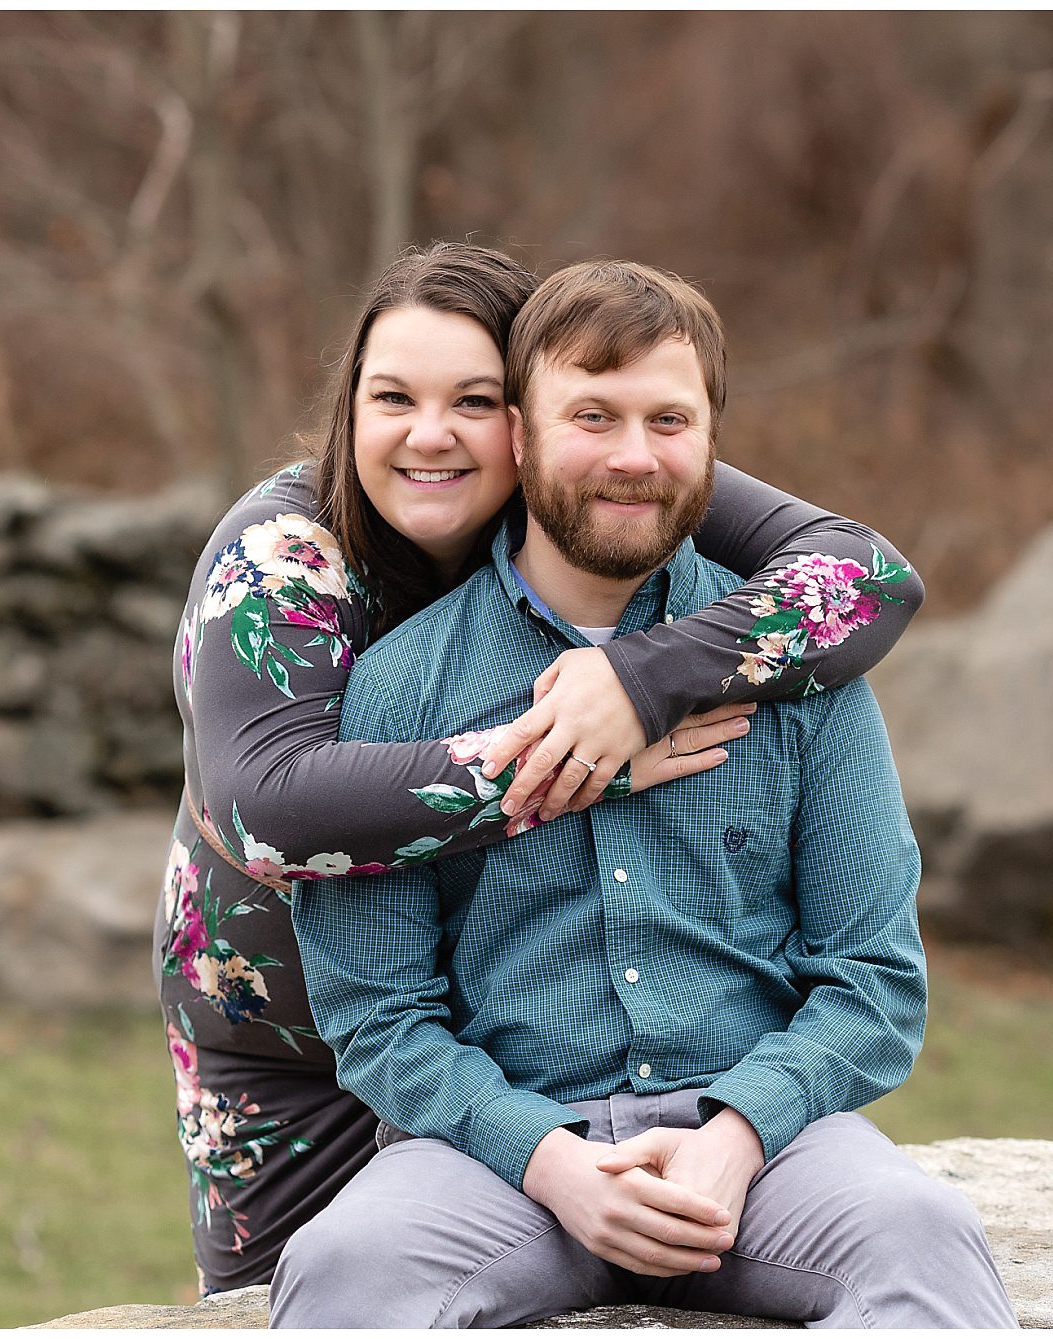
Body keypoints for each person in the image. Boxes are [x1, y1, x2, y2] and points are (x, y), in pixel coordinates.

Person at [159, 241, 927, 1292]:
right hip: (287, 1031)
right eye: (392, 397)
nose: (432, 433)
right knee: (302, 1286)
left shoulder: (630, 455)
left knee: (912, 1234)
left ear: (516, 420)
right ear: (349, 413)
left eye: (470, 398)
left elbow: (867, 578)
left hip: (538, 1061)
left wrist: (638, 680)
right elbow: (269, 809)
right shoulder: (285, 550)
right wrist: (585, 758)